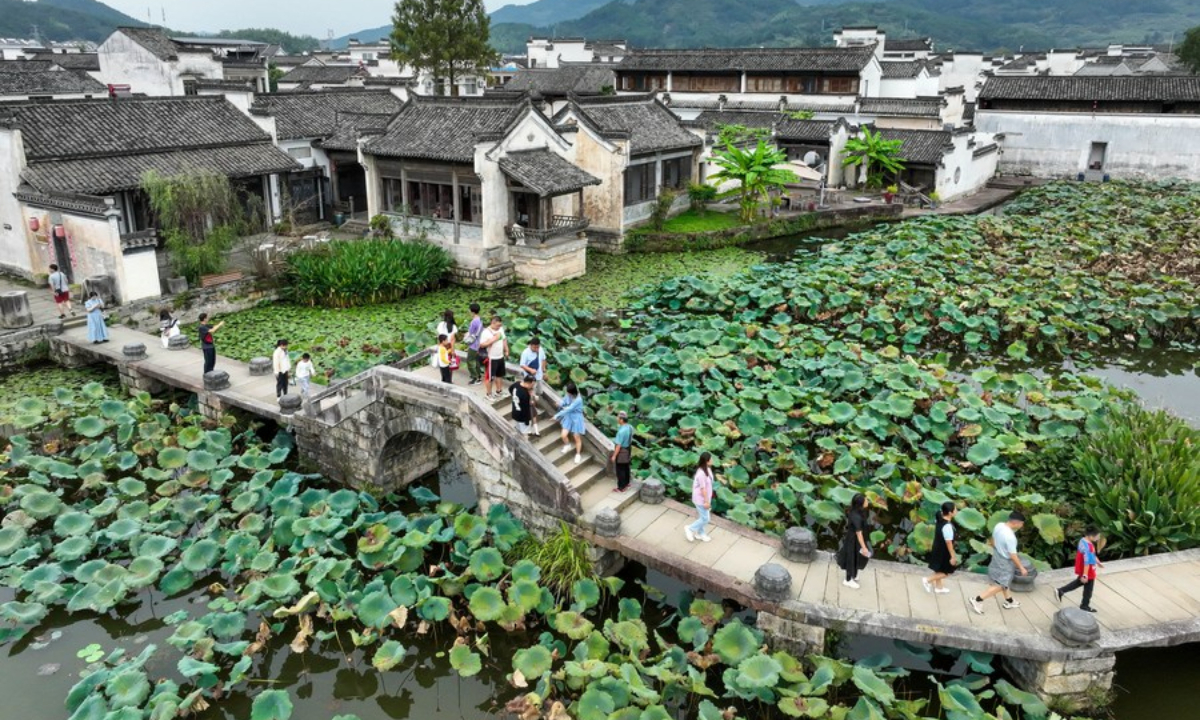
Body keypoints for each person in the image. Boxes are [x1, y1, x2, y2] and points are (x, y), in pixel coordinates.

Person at [969, 511, 1028, 614]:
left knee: (1004, 581)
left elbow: (992, 539)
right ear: (1016, 523)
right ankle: (978, 600)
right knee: (1001, 584)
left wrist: (996, 548)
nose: (1022, 526)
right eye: (1022, 524)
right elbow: (1013, 555)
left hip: (996, 555)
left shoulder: (999, 525)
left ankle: (1009, 601)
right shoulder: (1010, 537)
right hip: (1005, 562)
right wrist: (1021, 568)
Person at [1056, 527, 1104, 613]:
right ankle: (1084, 605)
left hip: (1085, 569)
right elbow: (1087, 562)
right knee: (1088, 589)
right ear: (1091, 536)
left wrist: (1097, 561)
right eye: (1097, 536)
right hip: (1088, 570)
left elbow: (1091, 555)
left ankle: (1061, 591)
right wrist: (1085, 575)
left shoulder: (1083, 541)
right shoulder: (1088, 547)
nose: (1098, 538)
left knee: (1079, 583)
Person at [923, 502, 960, 594]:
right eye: (955, 509)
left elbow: (939, 511)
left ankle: (939, 588)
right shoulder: (947, 527)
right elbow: (949, 542)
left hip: (937, 547)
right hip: (944, 551)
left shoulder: (939, 517)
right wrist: (952, 556)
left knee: (939, 568)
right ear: (950, 513)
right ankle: (927, 580)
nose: (957, 511)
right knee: (946, 571)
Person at [838, 493, 871, 589]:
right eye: (865, 500)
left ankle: (854, 574)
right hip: (853, 540)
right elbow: (859, 533)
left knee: (856, 556)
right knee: (851, 558)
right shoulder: (856, 516)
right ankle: (848, 580)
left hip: (856, 540)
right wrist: (864, 547)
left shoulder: (857, 511)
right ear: (861, 504)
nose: (867, 501)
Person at [519, 337, 547, 436]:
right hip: (530, 378)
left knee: (539, 393)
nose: (537, 349)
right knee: (532, 394)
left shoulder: (541, 350)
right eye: (535, 347)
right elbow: (522, 365)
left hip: (539, 376)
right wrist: (530, 370)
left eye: (538, 347)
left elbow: (544, 359)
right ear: (531, 345)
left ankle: (534, 407)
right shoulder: (525, 352)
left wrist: (543, 370)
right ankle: (532, 409)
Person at [685, 452, 715, 543]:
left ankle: (700, 533)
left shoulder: (707, 469)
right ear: (707, 461)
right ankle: (690, 528)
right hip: (700, 499)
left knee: (703, 517)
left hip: (706, 497)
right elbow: (703, 489)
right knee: (706, 518)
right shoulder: (701, 473)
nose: (713, 460)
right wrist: (706, 502)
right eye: (711, 459)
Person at [554, 381, 586, 465]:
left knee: (576, 437)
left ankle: (578, 454)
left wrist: (556, 416)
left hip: (577, 418)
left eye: (568, 391)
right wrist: (560, 404)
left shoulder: (578, 399)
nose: (567, 393)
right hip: (569, 416)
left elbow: (569, 408)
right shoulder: (568, 395)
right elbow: (564, 401)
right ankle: (567, 445)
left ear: (572, 392)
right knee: (563, 435)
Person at [479, 316, 508, 401]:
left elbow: (504, 339)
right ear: (493, 323)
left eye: (500, 325)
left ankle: (499, 391)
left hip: (500, 356)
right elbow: (482, 345)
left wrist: (506, 350)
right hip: (491, 358)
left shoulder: (500, 329)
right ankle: (489, 394)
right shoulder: (486, 332)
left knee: (499, 375)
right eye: (497, 326)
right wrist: (494, 339)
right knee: (490, 377)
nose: (499, 327)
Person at [610, 410, 634, 493]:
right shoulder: (630, 427)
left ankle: (621, 487)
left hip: (622, 451)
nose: (617, 418)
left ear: (621, 420)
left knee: (620, 469)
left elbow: (618, 446)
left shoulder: (621, 432)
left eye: (618, 417)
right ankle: (627, 483)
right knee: (626, 467)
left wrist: (614, 456)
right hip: (628, 449)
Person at [465, 303, 484, 386]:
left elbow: (471, 333)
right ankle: (479, 376)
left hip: (473, 344)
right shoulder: (479, 320)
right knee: (476, 361)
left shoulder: (474, 322)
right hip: (478, 343)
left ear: (472, 311)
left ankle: (475, 377)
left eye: (469, 310)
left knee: (469, 361)